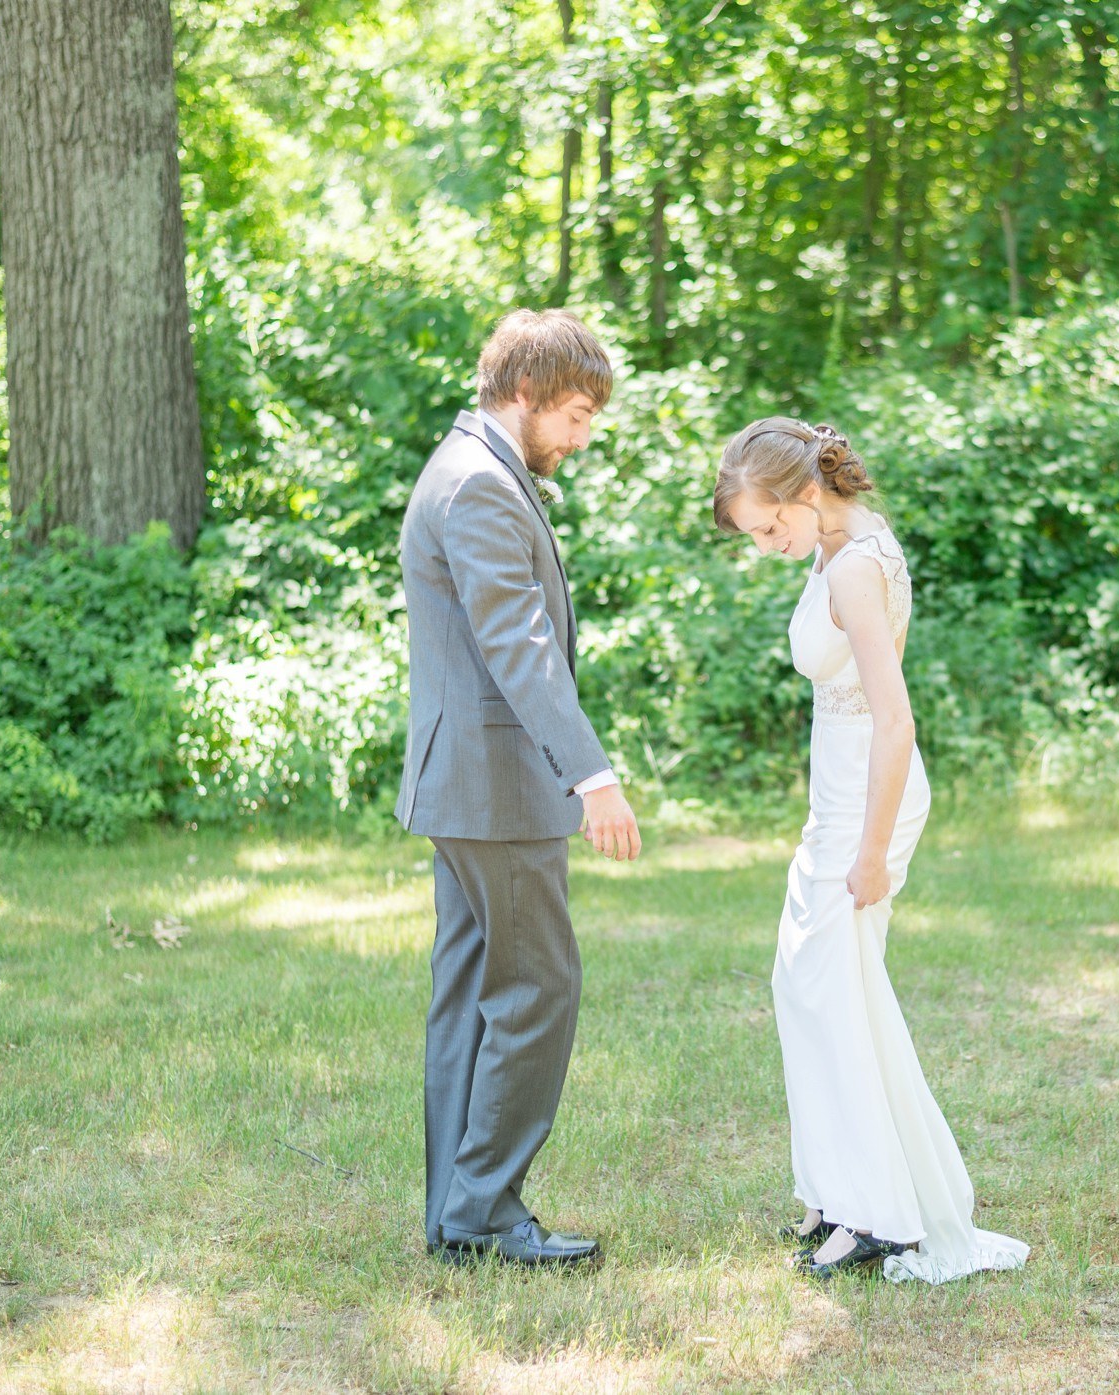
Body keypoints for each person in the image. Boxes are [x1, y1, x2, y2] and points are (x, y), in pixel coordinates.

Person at [713, 418, 1028, 1284]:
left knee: (835, 995)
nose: (772, 546)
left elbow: (895, 719)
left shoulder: (853, 567)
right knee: (809, 987)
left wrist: (873, 851)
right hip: (840, 795)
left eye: (772, 527)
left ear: (807, 494)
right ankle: (837, 1195)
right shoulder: (843, 538)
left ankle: (878, 1215)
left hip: (868, 803)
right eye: (756, 537)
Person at [395, 309, 642, 1267]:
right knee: (538, 985)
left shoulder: (471, 471)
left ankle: (458, 1214)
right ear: (526, 393)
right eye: (576, 415)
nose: (581, 438)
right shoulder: (480, 488)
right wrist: (593, 774)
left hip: (469, 786)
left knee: (471, 992)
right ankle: (485, 1213)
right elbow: (520, 648)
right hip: (495, 787)